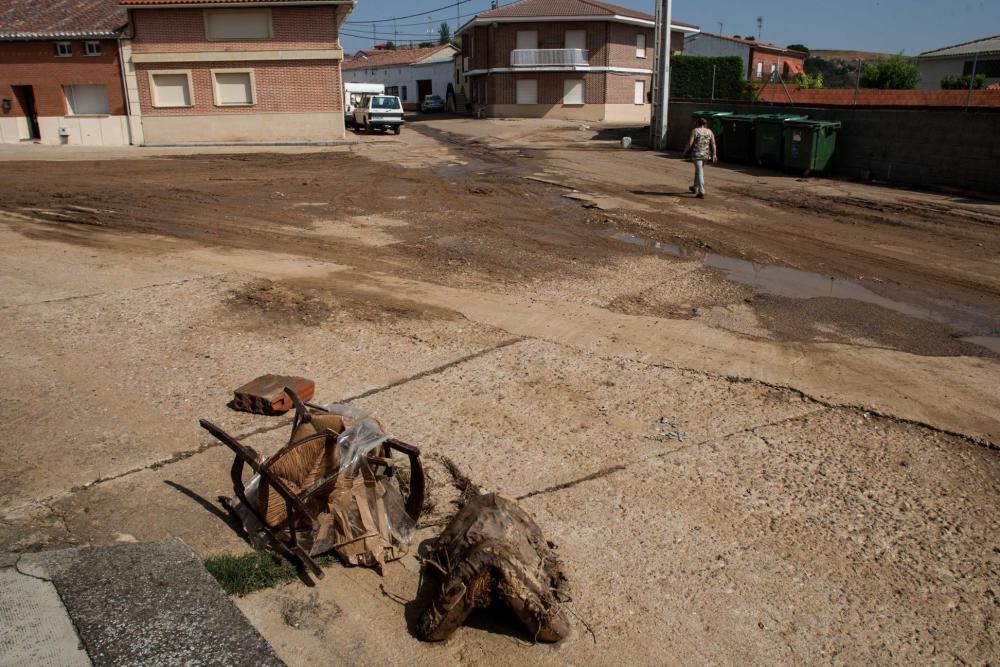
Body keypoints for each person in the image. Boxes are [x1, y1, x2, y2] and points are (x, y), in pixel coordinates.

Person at [682, 118, 718, 199]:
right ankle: (695, 187)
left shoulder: (695, 130)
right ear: (705, 124)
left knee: (700, 172)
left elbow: (690, 143)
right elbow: (713, 143)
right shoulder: (710, 131)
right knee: (698, 171)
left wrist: (684, 151)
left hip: (697, 154)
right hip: (706, 155)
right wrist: (715, 154)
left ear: (698, 123)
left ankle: (701, 191)